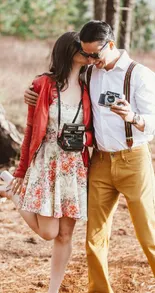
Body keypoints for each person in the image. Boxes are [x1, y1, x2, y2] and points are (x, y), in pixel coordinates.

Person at [24, 21, 155, 293]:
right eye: (86, 54)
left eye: (95, 55)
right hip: (100, 162)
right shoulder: (89, 75)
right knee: (94, 238)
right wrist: (32, 94)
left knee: (148, 234)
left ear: (109, 45)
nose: (91, 60)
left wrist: (134, 117)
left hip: (133, 160)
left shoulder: (140, 75)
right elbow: (59, 84)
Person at [0, 31, 93, 293]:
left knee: (65, 235)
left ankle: (53, 289)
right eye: (82, 50)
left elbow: (94, 130)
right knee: (48, 233)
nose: (88, 54)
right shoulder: (43, 84)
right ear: (69, 51)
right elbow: (31, 129)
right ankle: (11, 192)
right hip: (48, 161)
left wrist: (83, 138)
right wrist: (20, 172)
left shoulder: (89, 86)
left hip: (74, 166)